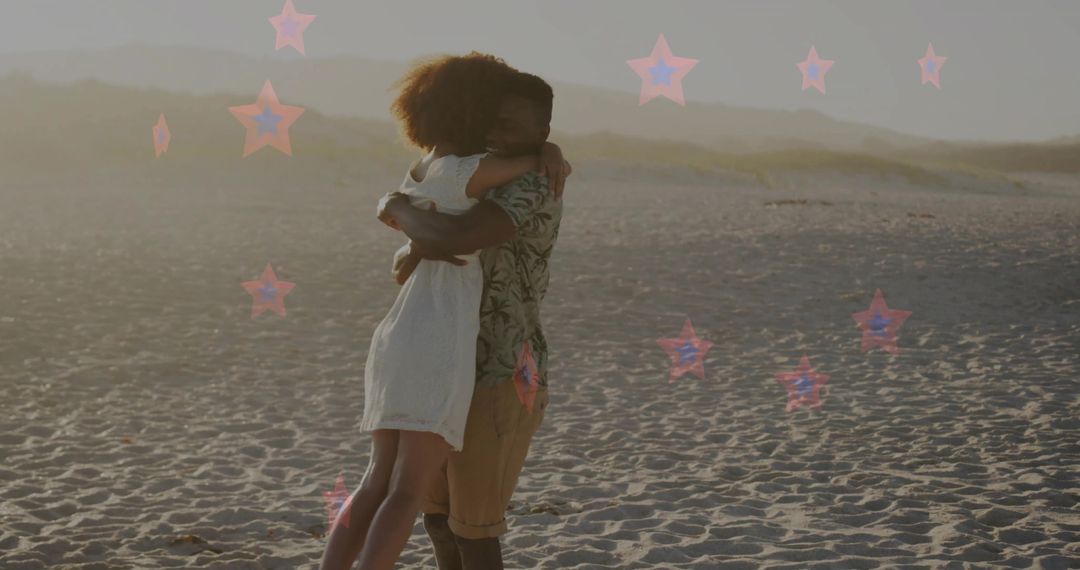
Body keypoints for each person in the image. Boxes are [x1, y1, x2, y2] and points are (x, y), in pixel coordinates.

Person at [317, 53, 570, 570]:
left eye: (511, 124)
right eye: (492, 118)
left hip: (491, 365)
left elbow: (439, 242)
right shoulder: (478, 168)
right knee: (422, 505)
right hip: (444, 348)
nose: (498, 132)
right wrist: (400, 210)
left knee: (457, 520)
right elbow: (430, 246)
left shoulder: (486, 176)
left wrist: (397, 205)